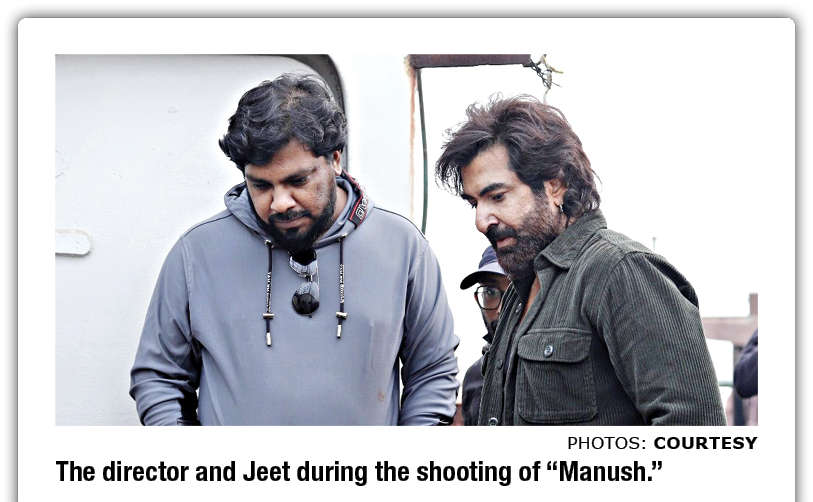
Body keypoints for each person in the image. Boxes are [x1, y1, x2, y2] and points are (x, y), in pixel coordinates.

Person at [130, 73, 459, 425]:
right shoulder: (195, 254)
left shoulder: (403, 247)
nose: (280, 203)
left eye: (297, 181)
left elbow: (433, 371)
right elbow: (159, 378)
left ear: (335, 159)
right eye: (261, 186)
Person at [436, 95, 725, 425]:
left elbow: (695, 430)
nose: (481, 220)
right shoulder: (519, 290)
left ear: (555, 185)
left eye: (497, 196)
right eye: (474, 203)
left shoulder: (620, 271)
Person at [459, 246, 509, 426]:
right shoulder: (474, 378)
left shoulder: (552, 373)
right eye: (490, 292)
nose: (501, 309)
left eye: (515, 290)